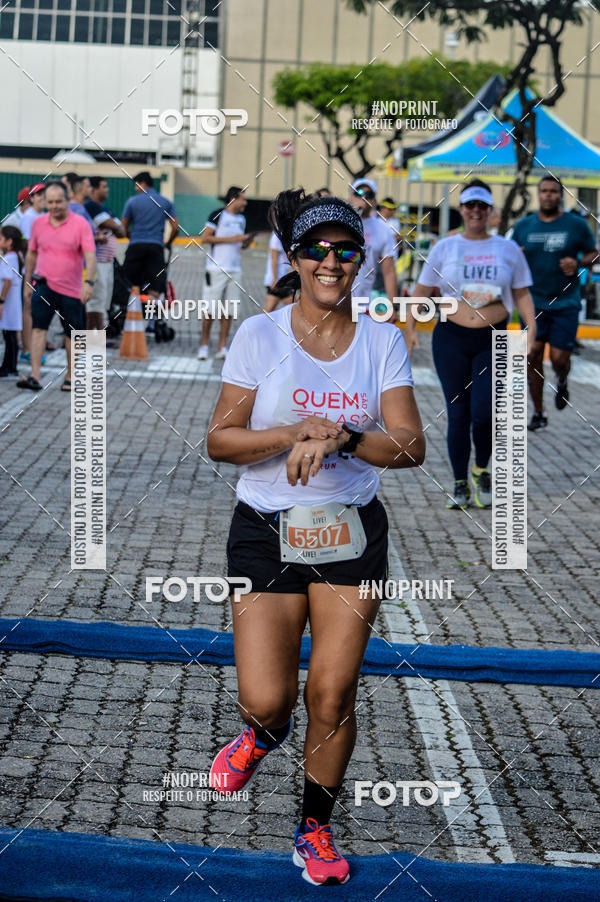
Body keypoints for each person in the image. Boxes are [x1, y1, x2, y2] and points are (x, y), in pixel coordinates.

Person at [206, 189, 425, 886]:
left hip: (349, 534)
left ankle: (314, 829)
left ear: (362, 259)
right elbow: (220, 441)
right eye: (316, 250)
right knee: (269, 702)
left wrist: (346, 438)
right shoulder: (258, 335)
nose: (330, 262)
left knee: (332, 695)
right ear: (294, 259)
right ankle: (261, 736)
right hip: (265, 532)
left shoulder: (383, 341)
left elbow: (411, 446)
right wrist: (292, 432)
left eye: (344, 250)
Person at [404, 179, 536, 510]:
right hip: (451, 336)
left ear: (490, 211)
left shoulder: (508, 249)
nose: (476, 211)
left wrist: (531, 330)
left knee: (484, 412)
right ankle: (460, 482)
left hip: (493, 338)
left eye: (482, 206)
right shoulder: (445, 248)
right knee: (458, 413)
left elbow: (521, 293)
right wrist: (409, 328)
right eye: (469, 205)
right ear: (461, 209)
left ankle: (482, 470)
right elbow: (420, 292)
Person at [511, 176, 597, 430]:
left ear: (561, 195)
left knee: (559, 358)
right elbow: (510, 254)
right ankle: (539, 412)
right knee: (532, 356)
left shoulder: (576, 225)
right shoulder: (524, 226)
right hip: (533, 303)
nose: (548, 195)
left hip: (565, 303)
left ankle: (562, 381)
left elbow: (594, 252)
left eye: (553, 192)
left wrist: (579, 263)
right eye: (544, 191)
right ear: (539, 194)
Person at [18, 181, 96, 392]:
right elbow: (32, 253)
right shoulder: (38, 223)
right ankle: (35, 375)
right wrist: (27, 282)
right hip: (43, 285)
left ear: (67, 200)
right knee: (38, 329)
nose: (54, 206)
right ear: (44, 201)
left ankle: (70, 376)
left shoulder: (80, 224)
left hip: (72, 289)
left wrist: (89, 282)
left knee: (72, 334)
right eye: (50, 202)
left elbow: (90, 255)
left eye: (58, 202)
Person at [198, 186, 251, 360]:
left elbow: (240, 244)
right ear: (233, 199)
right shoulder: (217, 214)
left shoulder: (242, 219)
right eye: (243, 198)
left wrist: (245, 242)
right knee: (210, 310)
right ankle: (204, 346)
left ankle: (222, 347)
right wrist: (232, 239)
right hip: (215, 269)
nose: (245, 202)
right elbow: (205, 238)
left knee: (229, 311)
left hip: (235, 270)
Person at [121, 171, 179, 311]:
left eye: (137, 185)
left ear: (142, 183)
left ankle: (130, 315)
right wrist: (168, 242)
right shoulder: (165, 202)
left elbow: (123, 226)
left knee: (129, 282)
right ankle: (152, 323)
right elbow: (175, 228)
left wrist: (132, 237)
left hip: (136, 246)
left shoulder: (132, 201)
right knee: (155, 285)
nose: (136, 188)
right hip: (156, 247)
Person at [348, 178, 397, 311]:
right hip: (336, 302)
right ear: (350, 197)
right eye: (358, 193)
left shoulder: (383, 229)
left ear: (374, 201)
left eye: (369, 195)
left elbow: (389, 271)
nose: (363, 197)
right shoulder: (340, 222)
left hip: (364, 304)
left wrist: (392, 306)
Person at [84, 176, 125, 331]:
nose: (107, 190)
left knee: (103, 302)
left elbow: (122, 231)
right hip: (97, 261)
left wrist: (116, 228)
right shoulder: (91, 207)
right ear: (94, 189)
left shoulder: (106, 209)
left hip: (107, 262)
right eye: (104, 187)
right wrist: (115, 227)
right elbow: (115, 227)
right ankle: (92, 340)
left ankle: (98, 337)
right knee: (94, 302)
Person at [19, 184, 46, 360]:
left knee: (39, 311)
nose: (42, 198)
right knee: (28, 310)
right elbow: (27, 246)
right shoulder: (29, 217)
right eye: (39, 195)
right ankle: (27, 349)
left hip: (44, 271)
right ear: (32, 198)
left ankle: (37, 347)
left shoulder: (45, 216)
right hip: (31, 270)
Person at [0, 226, 24, 377]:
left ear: (9, 242)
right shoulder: (17, 256)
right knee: (11, 334)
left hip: (8, 302)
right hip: (13, 301)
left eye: (1, 238)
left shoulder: (8, 258)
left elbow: (7, 281)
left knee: (8, 334)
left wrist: (1, 301)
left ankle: (7, 367)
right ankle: (12, 366)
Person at [263, 229, 293, 312]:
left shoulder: (286, 234)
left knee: (269, 310)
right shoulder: (276, 236)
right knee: (268, 311)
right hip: (277, 279)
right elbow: (273, 258)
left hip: (284, 278)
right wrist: (275, 278)